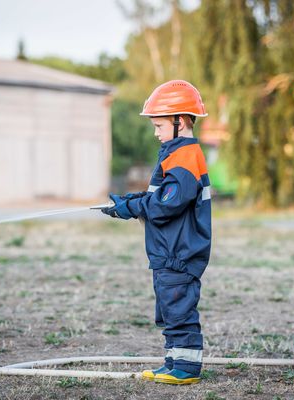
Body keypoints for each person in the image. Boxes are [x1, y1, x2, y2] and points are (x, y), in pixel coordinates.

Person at [101, 80, 211, 385]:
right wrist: (129, 202)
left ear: (182, 120)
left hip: (180, 252)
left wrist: (133, 208)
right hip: (168, 251)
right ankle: (174, 361)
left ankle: (187, 368)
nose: (155, 132)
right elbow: (159, 196)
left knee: (179, 308)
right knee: (169, 309)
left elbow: (168, 203)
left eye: (160, 125)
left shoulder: (185, 157)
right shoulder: (173, 153)